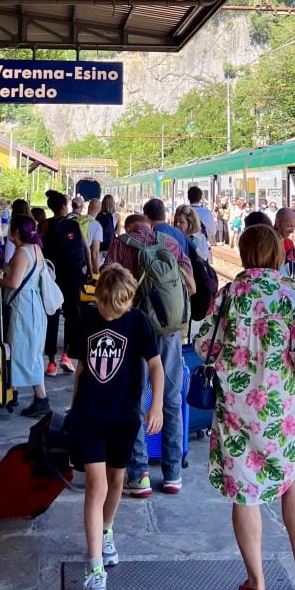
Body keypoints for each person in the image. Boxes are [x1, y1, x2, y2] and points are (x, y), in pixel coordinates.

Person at [194, 225, 295, 590]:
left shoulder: (226, 297)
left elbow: (204, 345)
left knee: (244, 493)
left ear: (243, 254)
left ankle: (256, 583)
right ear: (276, 255)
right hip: (281, 416)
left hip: (235, 413)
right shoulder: (290, 299)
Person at [67, 266, 164, 590]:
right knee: (98, 484)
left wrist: (157, 406)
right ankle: (95, 571)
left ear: (128, 300)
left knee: (117, 481)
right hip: (90, 414)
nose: (109, 314)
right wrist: (73, 407)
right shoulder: (87, 319)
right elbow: (81, 367)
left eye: (115, 309)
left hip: (124, 416)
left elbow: (155, 365)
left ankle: (107, 530)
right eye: (105, 307)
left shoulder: (137, 322)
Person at [104, 212, 195, 498]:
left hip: (132, 328)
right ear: (150, 224)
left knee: (134, 398)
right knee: (170, 397)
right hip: (168, 330)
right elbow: (191, 287)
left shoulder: (121, 244)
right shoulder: (169, 243)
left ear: (130, 227)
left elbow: (107, 288)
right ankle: (172, 474)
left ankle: (139, 474)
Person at [0, 215, 49, 415]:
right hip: (34, 305)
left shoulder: (22, 252)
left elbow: (14, 283)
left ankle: (40, 398)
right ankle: (12, 391)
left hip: (23, 306)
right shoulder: (36, 249)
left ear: (15, 231)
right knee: (26, 350)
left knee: (21, 349)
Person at [43, 190, 91, 375]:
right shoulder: (73, 223)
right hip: (73, 275)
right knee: (73, 314)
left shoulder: (45, 225)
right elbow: (85, 248)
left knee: (51, 315)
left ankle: (51, 362)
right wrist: (91, 270)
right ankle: (67, 356)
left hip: (52, 275)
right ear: (65, 206)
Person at [85, 198, 105, 274]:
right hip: (84, 261)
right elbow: (95, 253)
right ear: (100, 210)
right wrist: (96, 272)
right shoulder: (97, 225)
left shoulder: (78, 220)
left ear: (88, 207)